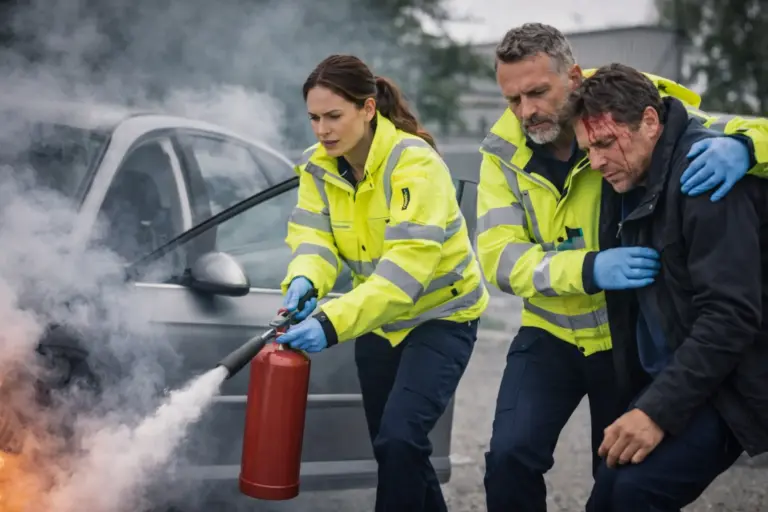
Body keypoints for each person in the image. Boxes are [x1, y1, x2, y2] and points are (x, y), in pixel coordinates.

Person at [476, 23, 768, 512]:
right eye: (513, 100)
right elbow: (499, 258)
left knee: (616, 477)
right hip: (554, 330)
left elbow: (698, 130)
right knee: (508, 457)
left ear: (571, 77)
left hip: (624, 337)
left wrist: (745, 148)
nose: (526, 111)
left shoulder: (623, 105)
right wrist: (588, 269)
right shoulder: (502, 153)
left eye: (538, 92)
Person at [275, 54, 490, 511]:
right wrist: (303, 279)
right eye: (314, 118)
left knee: (399, 439)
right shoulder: (318, 166)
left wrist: (330, 323)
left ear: (368, 109)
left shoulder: (415, 164)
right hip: (379, 322)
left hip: (441, 317)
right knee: (394, 449)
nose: (322, 129)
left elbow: (403, 276)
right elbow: (315, 239)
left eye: (334, 116)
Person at [568, 62, 768, 511]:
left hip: (731, 382)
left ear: (650, 122)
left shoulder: (705, 176)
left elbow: (731, 317)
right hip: (680, 372)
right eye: (588, 149)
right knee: (608, 494)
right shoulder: (628, 176)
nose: (597, 161)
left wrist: (657, 411)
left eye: (605, 143)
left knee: (637, 494)